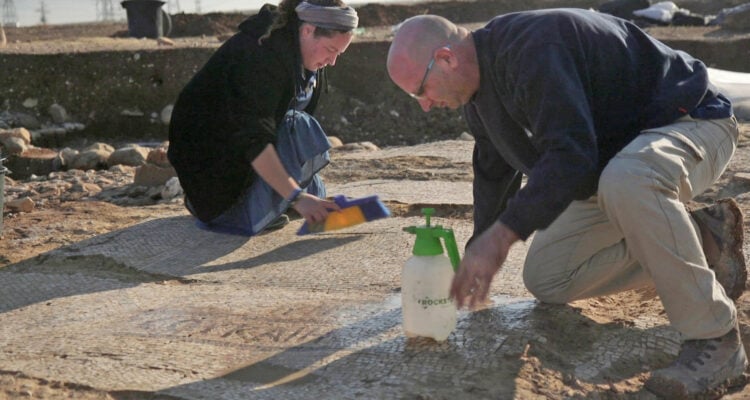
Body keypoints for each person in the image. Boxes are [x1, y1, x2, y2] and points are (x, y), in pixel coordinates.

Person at [387, 9, 747, 398]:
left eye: (419, 91)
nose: (424, 104)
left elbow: (570, 157)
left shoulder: (535, 47)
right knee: (549, 276)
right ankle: (704, 237)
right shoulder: (478, 98)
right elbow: (494, 172)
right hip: (613, 166)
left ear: (446, 58)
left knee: (626, 180)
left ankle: (715, 338)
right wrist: (480, 243)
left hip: (688, 123)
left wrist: (504, 237)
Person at [168, 0, 359, 235]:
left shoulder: (304, 58)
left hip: (246, 152)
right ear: (308, 30)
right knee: (297, 125)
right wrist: (296, 196)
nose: (332, 61)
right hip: (213, 167)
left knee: (316, 193)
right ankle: (232, 210)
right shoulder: (260, 55)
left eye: (339, 53)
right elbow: (253, 135)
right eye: (331, 50)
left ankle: (274, 199)